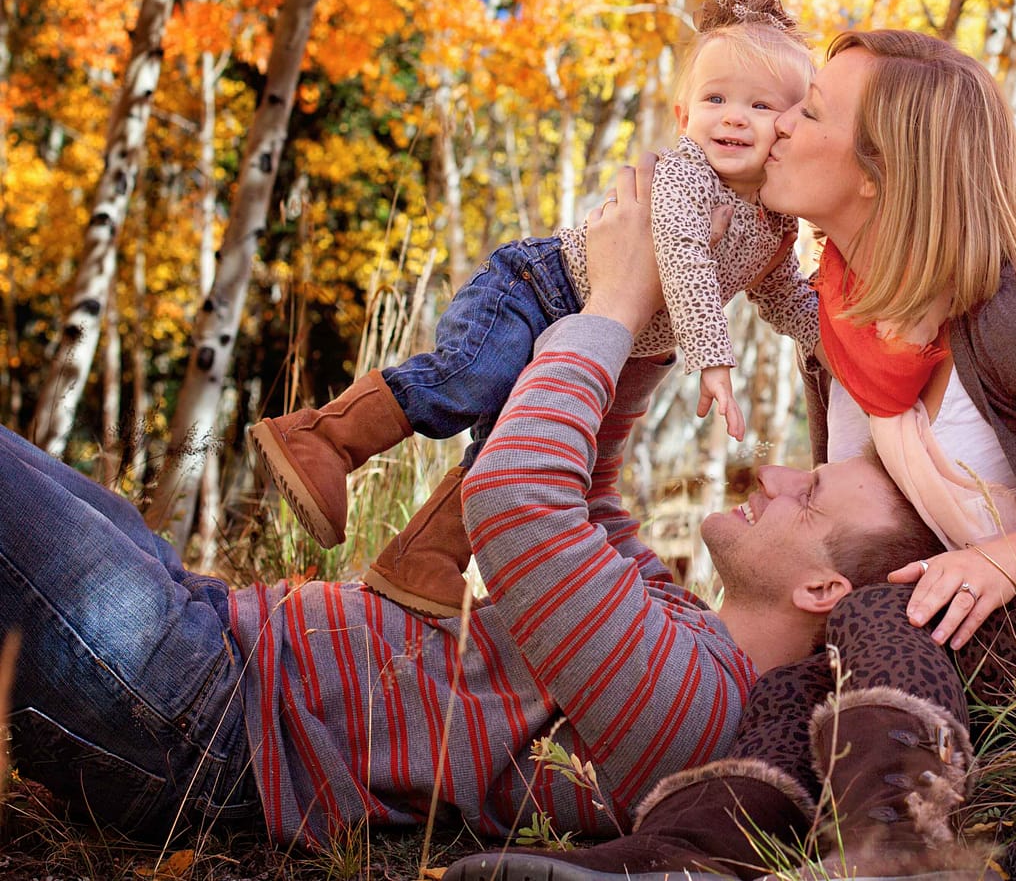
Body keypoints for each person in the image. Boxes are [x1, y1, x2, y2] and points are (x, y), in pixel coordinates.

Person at [443, 30, 1016, 880]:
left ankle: (900, 858)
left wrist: (1005, 561)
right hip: (959, 624)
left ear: (878, 171)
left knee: (872, 618)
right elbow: (863, 540)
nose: (777, 124)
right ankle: (674, 860)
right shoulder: (833, 322)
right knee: (787, 686)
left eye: (810, 110)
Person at [0, 157, 944, 853]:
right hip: (215, 627)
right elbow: (585, 488)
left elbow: (517, 500)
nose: (774, 474)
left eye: (808, 492)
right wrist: (656, 315)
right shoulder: (680, 627)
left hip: (201, 717)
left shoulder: (689, 709)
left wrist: (614, 302)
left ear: (824, 588)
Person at [249, 0, 820, 619]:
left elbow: (783, 294)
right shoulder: (686, 176)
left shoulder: (776, 224)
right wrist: (711, 357)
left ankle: (421, 561)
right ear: (685, 117)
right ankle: (324, 439)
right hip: (541, 290)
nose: (735, 116)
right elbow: (681, 254)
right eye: (716, 98)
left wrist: (828, 334)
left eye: (762, 106)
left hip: (593, 337)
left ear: (792, 131)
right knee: (472, 379)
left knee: (512, 453)